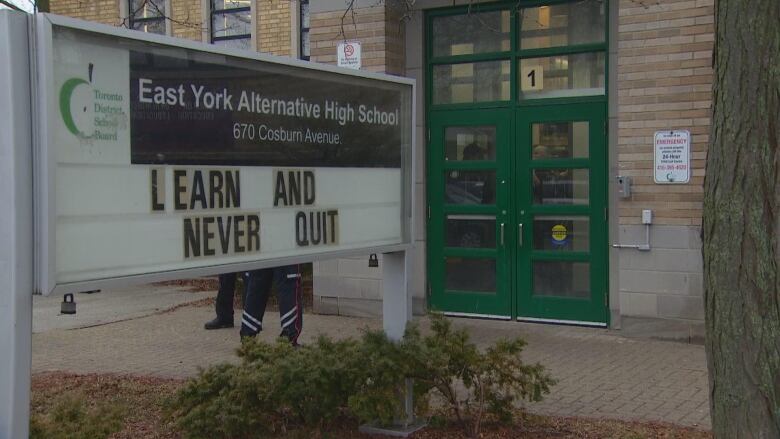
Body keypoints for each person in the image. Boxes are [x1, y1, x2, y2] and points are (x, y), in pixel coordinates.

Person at [240, 264, 303, 345]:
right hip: (286, 254)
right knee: (288, 284)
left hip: (261, 254)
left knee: (256, 284)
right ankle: (289, 338)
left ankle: (247, 334)